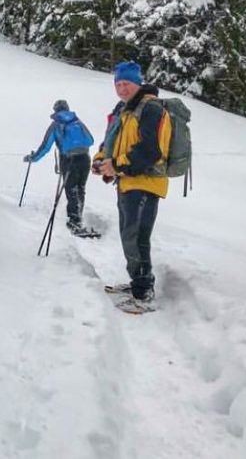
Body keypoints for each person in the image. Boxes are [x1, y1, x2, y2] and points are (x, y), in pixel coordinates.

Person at [93, 61, 172, 309]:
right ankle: (137, 281)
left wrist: (116, 164)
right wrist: (100, 161)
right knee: (129, 235)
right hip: (127, 181)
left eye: (126, 83)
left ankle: (144, 292)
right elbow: (111, 141)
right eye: (118, 84)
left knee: (138, 237)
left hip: (146, 181)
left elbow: (151, 149)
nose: (122, 88)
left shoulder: (151, 108)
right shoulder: (124, 110)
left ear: (137, 82)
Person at [24, 100, 95, 234]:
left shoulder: (56, 124)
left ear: (55, 110)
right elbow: (91, 140)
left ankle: (74, 222)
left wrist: (33, 158)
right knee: (80, 188)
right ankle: (77, 218)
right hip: (85, 159)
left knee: (71, 190)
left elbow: (45, 147)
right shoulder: (77, 121)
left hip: (69, 161)